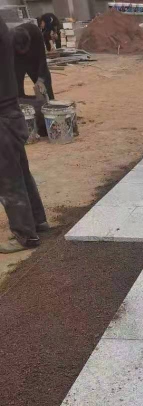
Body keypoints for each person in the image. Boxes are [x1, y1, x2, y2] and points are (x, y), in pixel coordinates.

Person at [0, 17, 48, 253]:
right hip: (11, 113)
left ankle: (25, 236)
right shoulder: (3, 31)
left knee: (8, 179)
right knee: (20, 172)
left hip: (2, 117)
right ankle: (38, 221)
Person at [12, 22, 54, 101]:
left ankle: (50, 102)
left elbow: (42, 58)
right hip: (17, 61)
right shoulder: (8, 39)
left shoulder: (35, 32)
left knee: (45, 86)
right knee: (17, 92)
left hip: (33, 60)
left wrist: (41, 79)